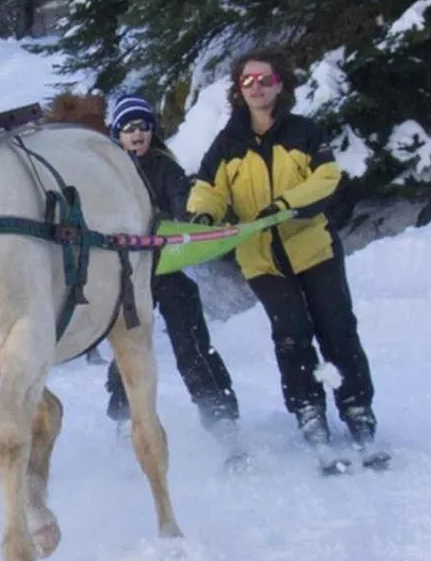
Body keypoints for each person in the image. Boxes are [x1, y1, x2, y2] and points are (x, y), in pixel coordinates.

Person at [185, 50, 382, 469]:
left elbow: (326, 178)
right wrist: (203, 214)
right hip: (261, 258)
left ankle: (356, 406)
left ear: (280, 84)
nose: (256, 87)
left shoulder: (304, 132)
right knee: (291, 333)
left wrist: (285, 205)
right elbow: (209, 187)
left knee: (337, 328)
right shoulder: (227, 143)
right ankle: (307, 408)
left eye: (264, 79)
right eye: (247, 81)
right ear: (239, 90)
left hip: (314, 249)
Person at [104, 93, 240, 438]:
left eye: (144, 127)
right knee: (129, 345)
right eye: (129, 128)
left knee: (191, 340)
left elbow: (183, 196)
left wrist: (189, 218)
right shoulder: (106, 171)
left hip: (165, 269)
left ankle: (219, 413)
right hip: (127, 278)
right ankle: (125, 420)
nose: (138, 134)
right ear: (117, 133)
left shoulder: (163, 166)